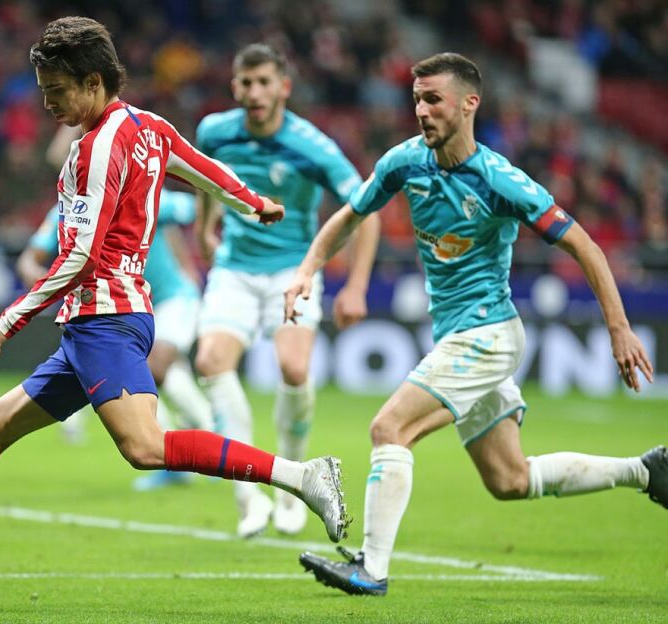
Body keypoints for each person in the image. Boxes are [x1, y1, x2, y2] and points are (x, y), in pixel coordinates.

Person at [0, 17, 349, 604]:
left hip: (106, 319)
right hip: (99, 322)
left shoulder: (96, 147)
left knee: (146, 447)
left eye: (57, 90)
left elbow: (81, 254)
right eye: (44, 90)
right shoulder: (149, 127)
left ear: (93, 81)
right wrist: (254, 203)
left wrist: (10, 318)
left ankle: (302, 476)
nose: (48, 102)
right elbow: (202, 170)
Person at [286, 52, 668, 597]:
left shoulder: (500, 181)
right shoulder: (404, 163)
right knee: (510, 479)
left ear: (469, 104)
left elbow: (584, 245)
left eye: (433, 99)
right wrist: (307, 270)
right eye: (416, 100)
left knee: (389, 428)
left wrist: (618, 328)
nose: (421, 110)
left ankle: (371, 567)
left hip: (488, 335)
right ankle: (647, 471)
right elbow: (351, 215)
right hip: (459, 335)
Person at [193, 44, 380, 538]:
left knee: (294, 369)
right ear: (234, 86)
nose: (255, 92)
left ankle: (292, 487)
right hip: (235, 267)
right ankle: (248, 497)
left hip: (292, 271)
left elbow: (366, 210)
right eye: (246, 83)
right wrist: (206, 229)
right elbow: (207, 179)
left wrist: (356, 285)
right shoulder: (215, 131)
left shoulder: (312, 147)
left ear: (284, 88)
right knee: (210, 361)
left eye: (264, 82)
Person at [18, 185, 216, 489]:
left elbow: (201, 205)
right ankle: (200, 435)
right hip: (126, 307)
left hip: (173, 299)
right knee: (157, 374)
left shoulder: (143, 200)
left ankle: (189, 443)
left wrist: (202, 243)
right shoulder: (65, 212)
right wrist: (43, 282)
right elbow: (28, 260)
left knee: (152, 369)